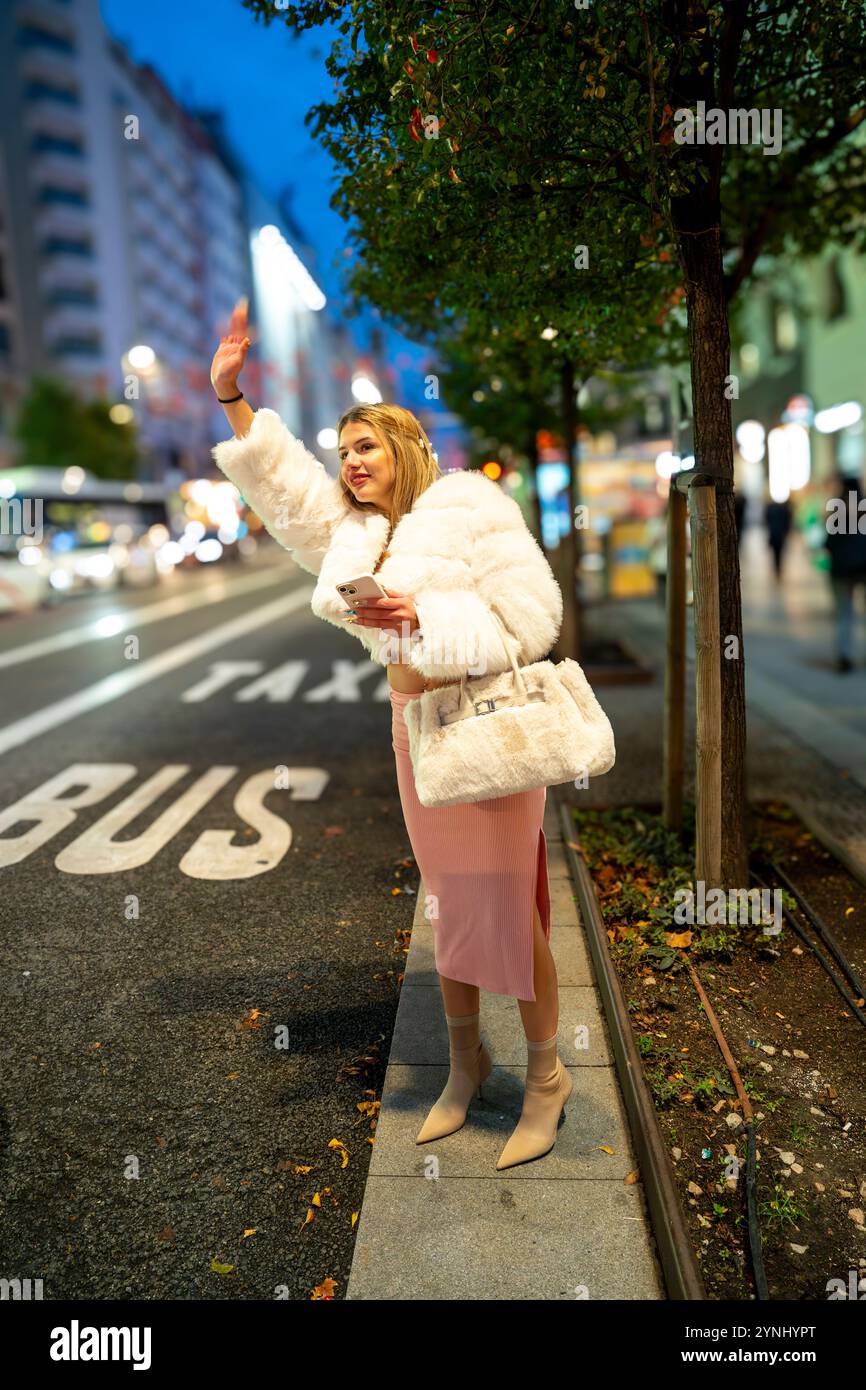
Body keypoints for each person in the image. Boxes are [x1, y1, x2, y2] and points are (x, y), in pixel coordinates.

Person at [209, 300, 571, 1170]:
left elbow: (532, 619)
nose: (350, 464)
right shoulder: (356, 532)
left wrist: (427, 618)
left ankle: (549, 1076)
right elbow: (285, 491)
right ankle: (465, 1061)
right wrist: (233, 399)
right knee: (447, 900)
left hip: (488, 734)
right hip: (416, 732)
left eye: (365, 447)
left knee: (507, 906)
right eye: (344, 453)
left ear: (404, 447)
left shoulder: (472, 507)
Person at [824, 472, 866, 673]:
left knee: (844, 614)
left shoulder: (836, 509)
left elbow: (828, 543)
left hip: (840, 570)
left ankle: (844, 655)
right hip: (863, 567)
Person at [764, 494, 793, 579]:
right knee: (779, 552)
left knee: (776, 552)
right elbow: (788, 521)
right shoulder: (785, 509)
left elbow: (766, 519)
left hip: (774, 533)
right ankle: (778, 567)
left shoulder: (770, 508)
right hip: (780, 534)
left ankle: (777, 567)